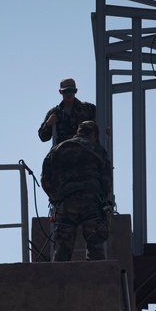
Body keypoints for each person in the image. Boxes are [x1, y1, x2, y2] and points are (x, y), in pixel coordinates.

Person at [40, 120, 114, 261]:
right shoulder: (98, 149)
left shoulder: (57, 149)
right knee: (95, 247)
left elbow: (45, 178)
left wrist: (55, 197)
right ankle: (98, 281)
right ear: (93, 134)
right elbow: (106, 180)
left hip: (66, 202)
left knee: (62, 249)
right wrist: (102, 199)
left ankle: (59, 281)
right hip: (92, 202)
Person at [38, 78, 97, 146]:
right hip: (63, 153)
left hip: (84, 151)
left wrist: (106, 130)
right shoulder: (54, 112)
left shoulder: (88, 109)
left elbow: (101, 126)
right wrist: (48, 124)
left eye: (71, 90)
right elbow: (43, 137)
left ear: (76, 91)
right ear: (60, 92)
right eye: (66, 91)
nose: (69, 93)